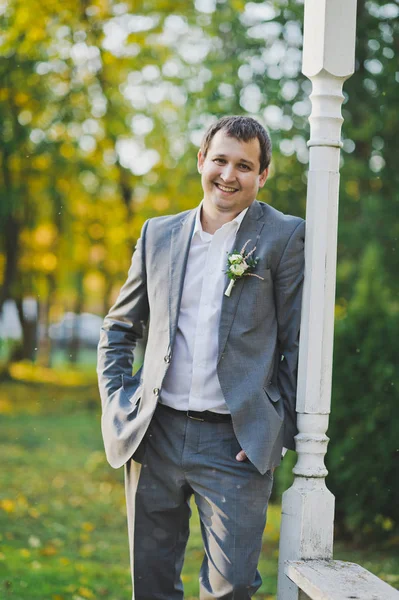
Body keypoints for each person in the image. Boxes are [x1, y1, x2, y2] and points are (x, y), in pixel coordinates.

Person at [97, 115, 305, 599]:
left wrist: (273, 431)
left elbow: (295, 345)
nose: (229, 175)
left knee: (231, 588)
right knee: (149, 583)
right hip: (155, 433)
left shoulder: (284, 237)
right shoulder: (158, 234)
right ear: (201, 161)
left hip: (235, 443)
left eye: (245, 166)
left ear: (263, 175)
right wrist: (117, 402)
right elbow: (120, 327)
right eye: (220, 160)